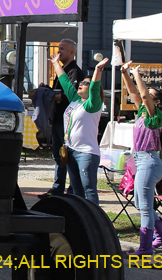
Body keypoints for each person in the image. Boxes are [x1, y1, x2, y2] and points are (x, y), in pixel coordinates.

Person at [120, 61, 162, 256]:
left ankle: (145, 247)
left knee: (146, 208)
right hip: (143, 162)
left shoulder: (156, 115)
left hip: (149, 162)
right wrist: (125, 74)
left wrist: (137, 74)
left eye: (150, 95)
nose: (145, 95)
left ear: (156, 102)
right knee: (141, 204)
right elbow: (135, 93)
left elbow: (142, 94)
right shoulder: (144, 111)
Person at [50, 53, 106, 205]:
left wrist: (97, 71)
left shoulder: (93, 105)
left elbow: (94, 89)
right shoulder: (75, 101)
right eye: (81, 82)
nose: (81, 84)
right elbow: (66, 82)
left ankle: (96, 221)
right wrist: (56, 63)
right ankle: (83, 219)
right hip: (71, 150)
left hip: (86, 153)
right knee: (77, 190)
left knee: (89, 190)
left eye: (85, 83)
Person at [41, 38, 84, 199]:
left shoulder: (74, 71)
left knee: (68, 155)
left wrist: (52, 96)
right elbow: (57, 91)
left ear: (71, 52)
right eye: (58, 48)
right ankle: (58, 188)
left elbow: (70, 96)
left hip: (68, 122)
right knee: (58, 156)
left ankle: (72, 189)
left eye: (62, 49)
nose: (58, 52)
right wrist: (46, 90)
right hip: (57, 118)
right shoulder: (62, 70)